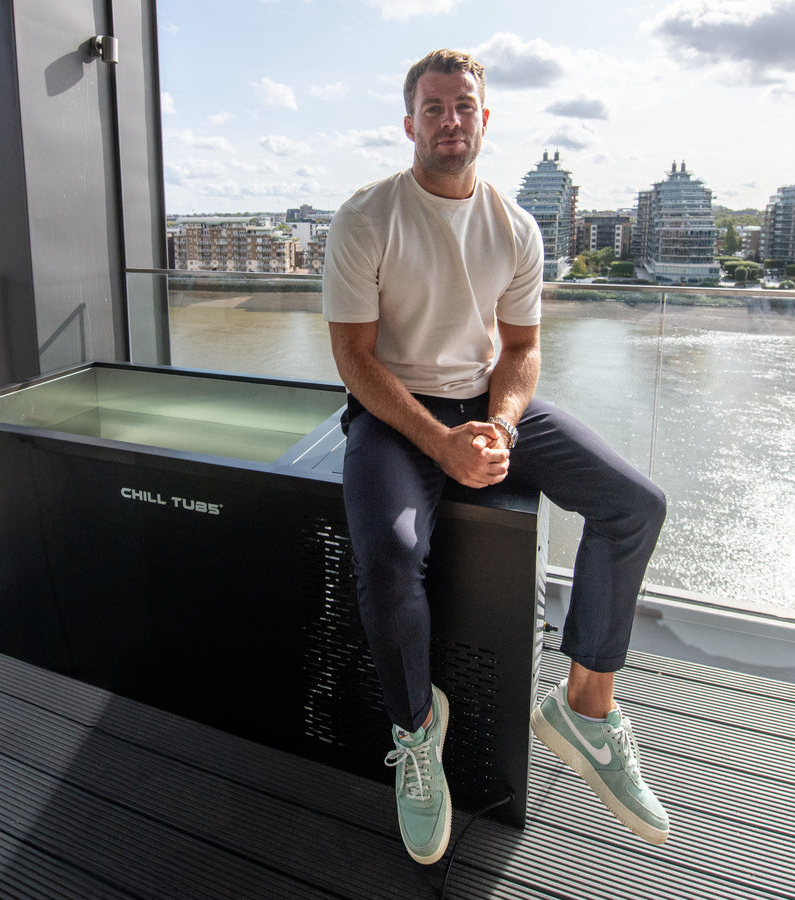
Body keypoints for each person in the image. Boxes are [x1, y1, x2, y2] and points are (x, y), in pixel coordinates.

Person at [321, 48, 670, 864]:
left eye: (464, 106)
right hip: (393, 408)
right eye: (434, 108)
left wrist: (502, 428)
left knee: (635, 503)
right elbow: (355, 360)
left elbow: (521, 349)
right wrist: (439, 441)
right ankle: (417, 733)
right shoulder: (366, 217)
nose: (451, 120)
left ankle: (585, 709)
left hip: (487, 403)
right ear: (410, 123)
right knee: (389, 553)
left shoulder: (515, 227)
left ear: (485, 118)